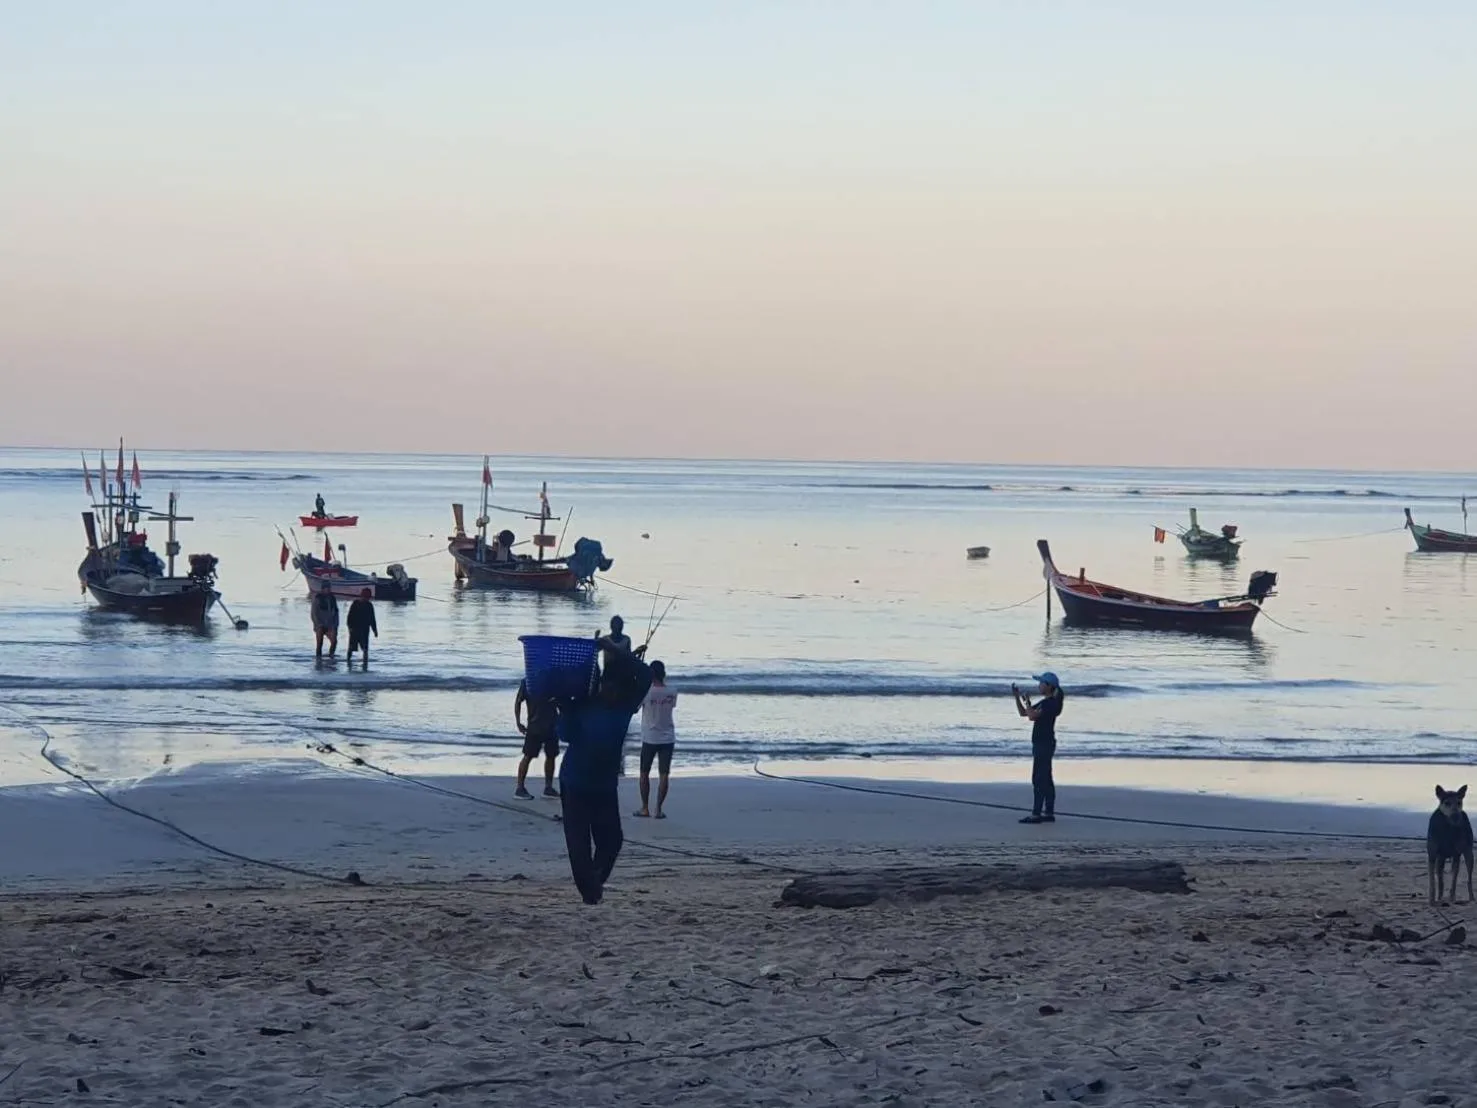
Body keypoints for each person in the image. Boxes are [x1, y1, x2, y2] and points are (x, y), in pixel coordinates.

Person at [556, 654, 653, 905]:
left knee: (612, 841)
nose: (612, 694)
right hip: (575, 781)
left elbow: (646, 675)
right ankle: (590, 892)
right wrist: (565, 708)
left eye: (616, 690)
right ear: (601, 685)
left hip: (604, 785)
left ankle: (594, 881)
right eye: (608, 688)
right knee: (578, 841)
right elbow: (565, 734)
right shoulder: (584, 705)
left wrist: (619, 653)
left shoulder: (625, 707)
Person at [1012, 672, 1064, 824]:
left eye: (1041, 683)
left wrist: (1027, 703)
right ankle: (1048, 812)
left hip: (1044, 744)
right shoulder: (1046, 702)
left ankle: (1037, 813)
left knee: (1039, 778)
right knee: (1046, 778)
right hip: (1042, 743)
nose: (1039, 685)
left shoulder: (1051, 704)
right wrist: (1018, 697)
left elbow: (1032, 716)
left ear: (1048, 686)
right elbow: (1024, 713)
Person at [634, 660, 677, 819]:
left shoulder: (647, 692)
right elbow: (670, 707)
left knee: (644, 773)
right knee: (664, 774)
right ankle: (658, 809)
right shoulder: (672, 691)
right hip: (667, 736)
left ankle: (645, 807)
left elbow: (635, 708)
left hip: (650, 737)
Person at [514, 679, 560, 799]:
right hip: (538, 725)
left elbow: (518, 701)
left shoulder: (532, 681)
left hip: (548, 724)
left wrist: (518, 722)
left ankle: (548, 787)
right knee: (529, 755)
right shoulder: (530, 681)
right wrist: (518, 722)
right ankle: (520, 788)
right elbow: (518, 701)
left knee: (550, 755)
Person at [345, 588, 378, 666]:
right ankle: (348, 663)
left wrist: (375, 630)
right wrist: (350, 628)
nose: (366, 599)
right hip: (355, 629)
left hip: (365, 630)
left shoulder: (369, 605)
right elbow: (349, 617)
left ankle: (365, 665)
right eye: (365, 597)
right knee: (351, 648)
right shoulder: (355, 604)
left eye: (367, 597)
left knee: (365, 649)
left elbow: (372, 619)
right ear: (361, 596)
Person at [311, 589, 339, 658]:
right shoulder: (317, 598)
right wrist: (318, 624)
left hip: (330, 625)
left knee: (334, 641)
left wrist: (335, 625)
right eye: (326, 588)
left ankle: (331, 655)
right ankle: (318, 657)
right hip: (320, 625)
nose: (328, 590)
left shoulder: (332, 598)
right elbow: (313, 613)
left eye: (329, 588)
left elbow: (336, 612)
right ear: (323, 589)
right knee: (319, 643)